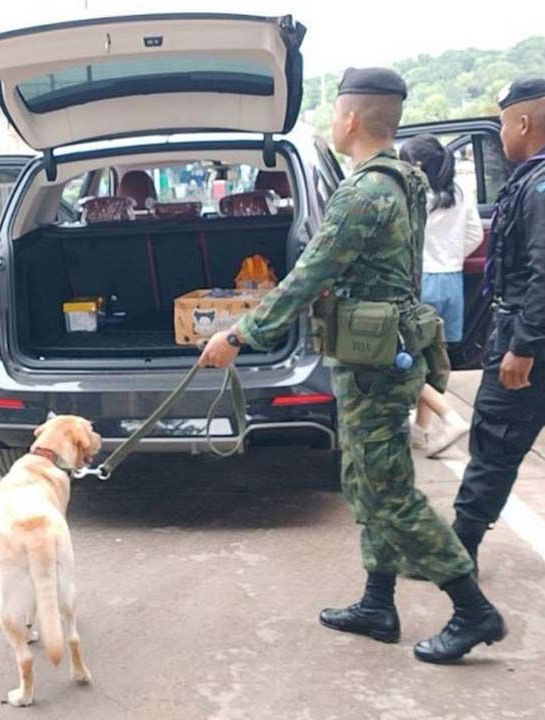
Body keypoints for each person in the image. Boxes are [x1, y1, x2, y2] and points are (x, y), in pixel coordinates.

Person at [198, 68, 506, 664]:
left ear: (351, 120)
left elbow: (310, 275)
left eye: (336, 112)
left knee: (389, 492)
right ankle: (376, 602)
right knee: (365, 480)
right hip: (383, 352)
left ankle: (472, 609)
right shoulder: (407, 179)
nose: (333, 122)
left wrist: (239, 335)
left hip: (374, 364)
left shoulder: (364, 192)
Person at [451, 78, 545, 573]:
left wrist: (523, 346)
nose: (503, 132)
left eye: (505, 121)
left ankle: (456, 552)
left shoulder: (540, 184)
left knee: (494, 444)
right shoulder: (531, 179)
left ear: (524, 123)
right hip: (528, 330)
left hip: (529, 338)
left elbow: (543, 271)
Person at [398, 135, 484, 457]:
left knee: (407, 360)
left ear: (417, 165)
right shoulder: (460, 192)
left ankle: (449, 417)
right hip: (451, 281)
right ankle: (421, 431)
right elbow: (475, 233)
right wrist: (452, 257)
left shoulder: (414, 194)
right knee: (435, 359)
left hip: (423, 282)